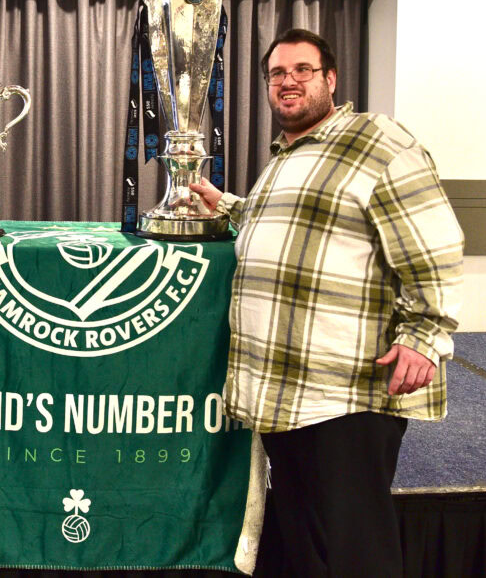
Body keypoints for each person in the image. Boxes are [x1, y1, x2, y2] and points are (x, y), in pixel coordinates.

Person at [190, 29, 462, 577]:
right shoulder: (287, 156)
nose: (287, 81)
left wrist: (424, 335)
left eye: (302, 70)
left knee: (352, 551)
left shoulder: (376, 142)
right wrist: (229, 207)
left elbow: (437, 244)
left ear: (330, 79)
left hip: (344, 396)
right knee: (306, 547)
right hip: (286, 394)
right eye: (276, 73)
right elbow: (292, 228)